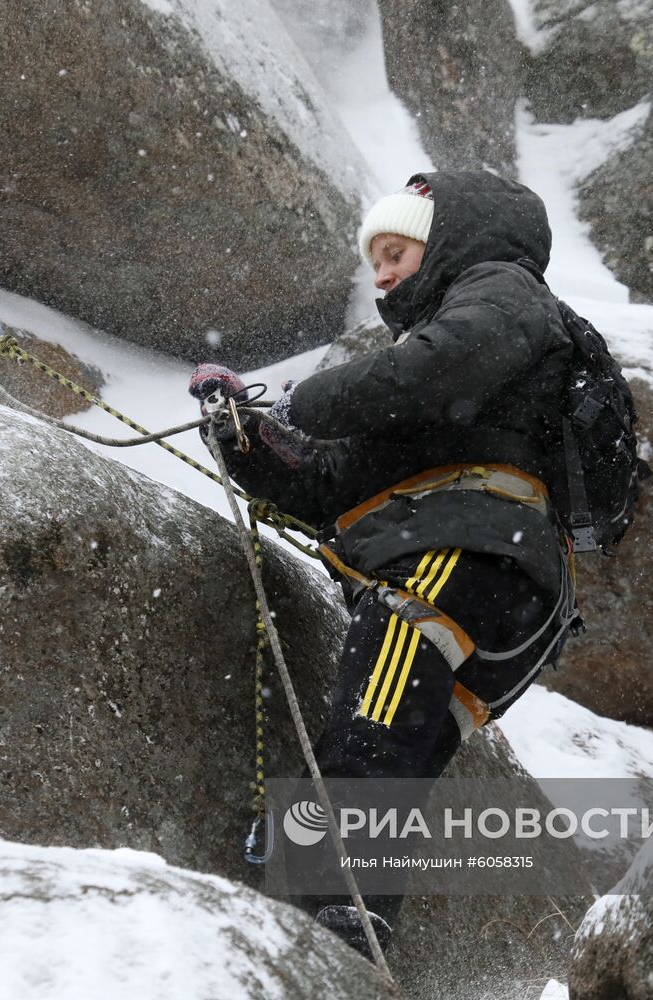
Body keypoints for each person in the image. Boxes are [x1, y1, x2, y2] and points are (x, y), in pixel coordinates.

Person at [188, 171, 581, 958]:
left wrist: (302, 400)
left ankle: (328, 921)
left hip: (463, 547)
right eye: (374, 261)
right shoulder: (439, 381)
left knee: (369, 734)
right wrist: (248, 439)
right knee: (386, 748)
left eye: (396, 251)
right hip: (508, 593)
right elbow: (333, 483)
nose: (383, 275)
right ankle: (340, 929)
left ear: (444, 244)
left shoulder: (499, 291)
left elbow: (444, 361)